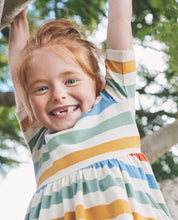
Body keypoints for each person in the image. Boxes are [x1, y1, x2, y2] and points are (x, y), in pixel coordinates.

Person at [8, 0, 172, 219]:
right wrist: (18, 15)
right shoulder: (39, 136)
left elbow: (120, 19)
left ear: (97, 82)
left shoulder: (116, 101)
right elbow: (18, 70)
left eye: (71, 81)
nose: (58, 94)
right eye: (42, 88)